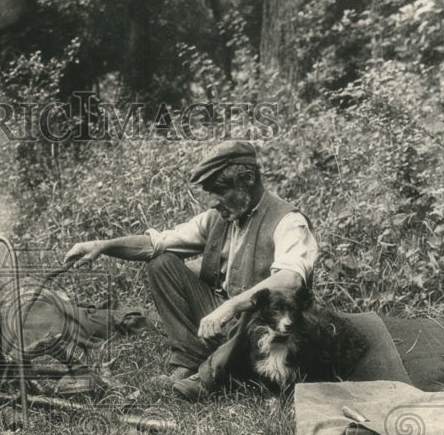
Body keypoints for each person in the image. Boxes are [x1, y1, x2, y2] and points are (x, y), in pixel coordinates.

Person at [63, 141, 318, 400]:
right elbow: (156, 243)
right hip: (226, 320)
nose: (213, 202)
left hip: (269, 328)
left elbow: (291, 280)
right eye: (210, 192)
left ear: (248, 179)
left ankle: (209, 376)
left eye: (220, 190)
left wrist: (229, 307)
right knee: (162, 263)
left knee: (253, 309)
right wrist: (102, 245)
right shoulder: (219, 218)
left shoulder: (288, 221)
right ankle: (189, 360)